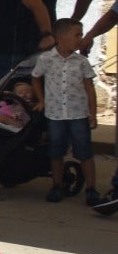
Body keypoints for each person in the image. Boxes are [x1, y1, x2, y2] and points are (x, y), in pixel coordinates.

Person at [33, 18, 100, 205]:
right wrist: (41, 100)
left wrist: (93, 114)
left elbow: (90, 89)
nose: (81, 39)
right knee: (56, 150)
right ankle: (57, 185)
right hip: (55, 114)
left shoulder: (81, 62)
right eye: (77, 35)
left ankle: (91, 188)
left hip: (78, 114)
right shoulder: (45, 59)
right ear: (61, 37)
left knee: (84, 150)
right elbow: (35, 78)